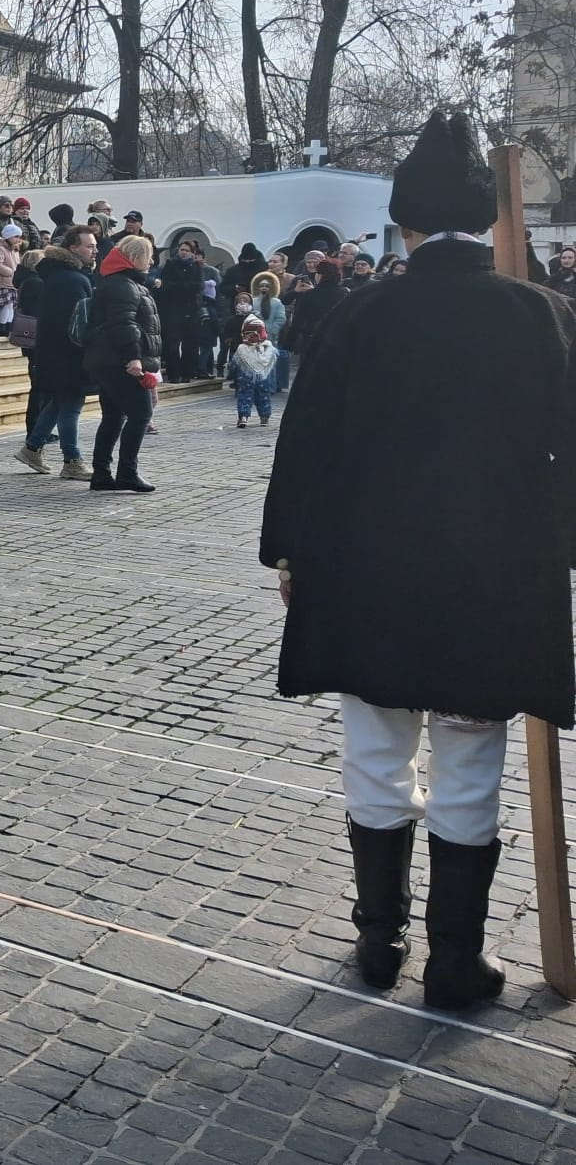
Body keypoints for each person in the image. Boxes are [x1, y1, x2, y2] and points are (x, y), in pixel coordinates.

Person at [261, 109, 576, 1011]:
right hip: (495, 575)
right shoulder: (544, 317)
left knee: (375, 749)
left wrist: (291, 552)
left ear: (401, 223)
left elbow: (306, 448)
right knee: (471, 760)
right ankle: (453, 960)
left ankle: (377, 940)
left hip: (369, 570)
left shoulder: (357, 317)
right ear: (487, 222)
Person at [15, 224, 97, 480]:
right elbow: (75, 323)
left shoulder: (62, 275)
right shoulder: (72, 279)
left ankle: (32, 447)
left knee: (58, 403)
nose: (94, 250)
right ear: (73, 248)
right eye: (89, 246)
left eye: (95, 245)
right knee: (71, 405)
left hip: (55, 353)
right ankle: (72, 459)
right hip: (68, 354)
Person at [83, 233, 161, 492]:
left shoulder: (119, 282)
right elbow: (124, 323)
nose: (151, 262)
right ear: (137, 257)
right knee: (140, 414)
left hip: (108, 360)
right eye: (148, 256)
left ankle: (102, 474)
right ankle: (126, 472)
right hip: (119, 361)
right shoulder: (123, 285)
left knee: (114, 417)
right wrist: (134, 356)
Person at [280, 258, 347, 380]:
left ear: (320, 275)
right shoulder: (344, 293)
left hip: (312, 339)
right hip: (337, 341)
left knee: (309, 375)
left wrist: (288, 343)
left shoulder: (310, 295)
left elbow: (298, 320)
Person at [154, 241, 205, 382]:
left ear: (192, 253)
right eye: (181, 249)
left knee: (190, 346)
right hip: (173, 311)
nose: (183, 252)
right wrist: (182, 287)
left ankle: (187, 374)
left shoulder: (196, 267)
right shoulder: (171, 265)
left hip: (191, 311)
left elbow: (198, 287)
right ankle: (174, 374)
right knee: (172, 345)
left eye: (187, 250)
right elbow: (165, 286)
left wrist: (180, 287)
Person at [228, 314, 277, 429]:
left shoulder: (242, 348)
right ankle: (264, 417)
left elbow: (234, 364)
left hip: (245, 378)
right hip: (263, 378)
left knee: (244, 396)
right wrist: (273, 384)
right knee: (263, 396)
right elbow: (272, 367)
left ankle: (243, 417)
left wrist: (229, 371)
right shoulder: (268, 348)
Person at [250, 271, 290, 393]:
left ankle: (270, 386)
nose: (264, 288)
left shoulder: (276, 303)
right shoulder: (253, 301)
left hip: (270, 337)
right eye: (262, 285)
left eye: (267, 286)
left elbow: (281, 318)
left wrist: (272, 331)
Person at [0, 220, 23, 333]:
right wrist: (11, 272)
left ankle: (9, 326)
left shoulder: (15, 250)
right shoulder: (0, 248)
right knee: (6, 306)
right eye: (15, 236)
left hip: (13, 283)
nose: (18, 239)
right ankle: (1, 326)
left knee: (12, 306)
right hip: (4, 282)